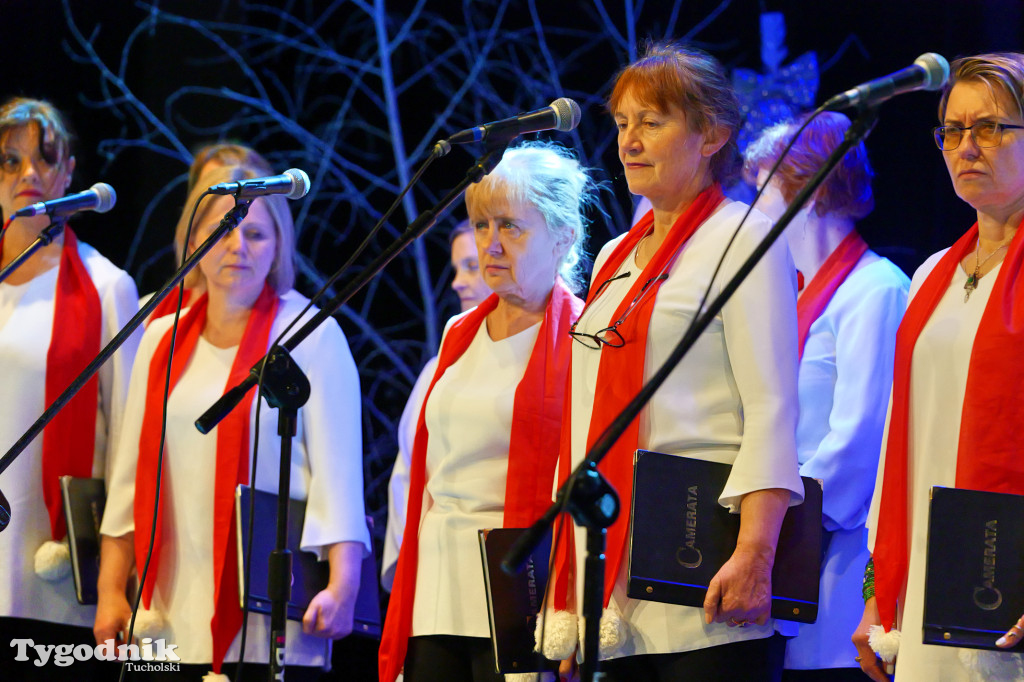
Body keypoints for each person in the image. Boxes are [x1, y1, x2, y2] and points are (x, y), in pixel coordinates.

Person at [552, 43, 803, 681]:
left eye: (653, 122)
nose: (630, 140)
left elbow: (772, 405)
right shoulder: (614, 255)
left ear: (712, 135)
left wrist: (755, 552)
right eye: (622, 123)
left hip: (702, 562)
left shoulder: (742, 237)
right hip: (612, 574)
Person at [95, 164, 370, 681]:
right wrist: (111, 590)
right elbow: (129, 476)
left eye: (256, 232)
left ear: (278, 244)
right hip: (165, 617)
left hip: (272, 618)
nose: (237, 245)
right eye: (222, 229)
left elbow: (339, 477)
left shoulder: (311, 333)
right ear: (193, 238)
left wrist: (344, 584)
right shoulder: (160, 337)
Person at [378, 141, 594, 682]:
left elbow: (588, 484)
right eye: (481, 226)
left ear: (563, 234)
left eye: (510, 226)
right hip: (435, 589)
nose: (490, 245)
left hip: (520, 592)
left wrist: (577, 608)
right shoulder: (458, 333)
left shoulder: (585, 338)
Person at [854, 52, 1024, 682]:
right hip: (928, 588)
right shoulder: (931, 277)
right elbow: (900, 447)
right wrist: (879, 592)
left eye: (990, 128)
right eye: (952, 131)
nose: (966, 147)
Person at [745, 112, 910, 681]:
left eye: (763, 191)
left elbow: (860, 444)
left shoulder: (876, 289)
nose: (754, 211)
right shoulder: (789, 297)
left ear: (808, 194)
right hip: (783, 566)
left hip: (833, 569)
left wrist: (770, 526)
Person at [0, 97, 140, 681]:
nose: (29, 174)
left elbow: (133, 449)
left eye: (45, 158)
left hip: (52, 576)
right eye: (10, 161)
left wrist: (116, 582)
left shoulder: (109, 289)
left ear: (69, 173)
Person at [381, 219, 491, 592]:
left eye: (472, 267)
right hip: (430, 567)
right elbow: (406, 473)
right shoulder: (436, 366)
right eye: (457, 268)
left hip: (495, 567)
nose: (458, 282)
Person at [144, 143, 274, 324]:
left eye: (239, 189)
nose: (230, 201)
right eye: (217, 186)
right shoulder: (152, 314)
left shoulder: (297, 322)